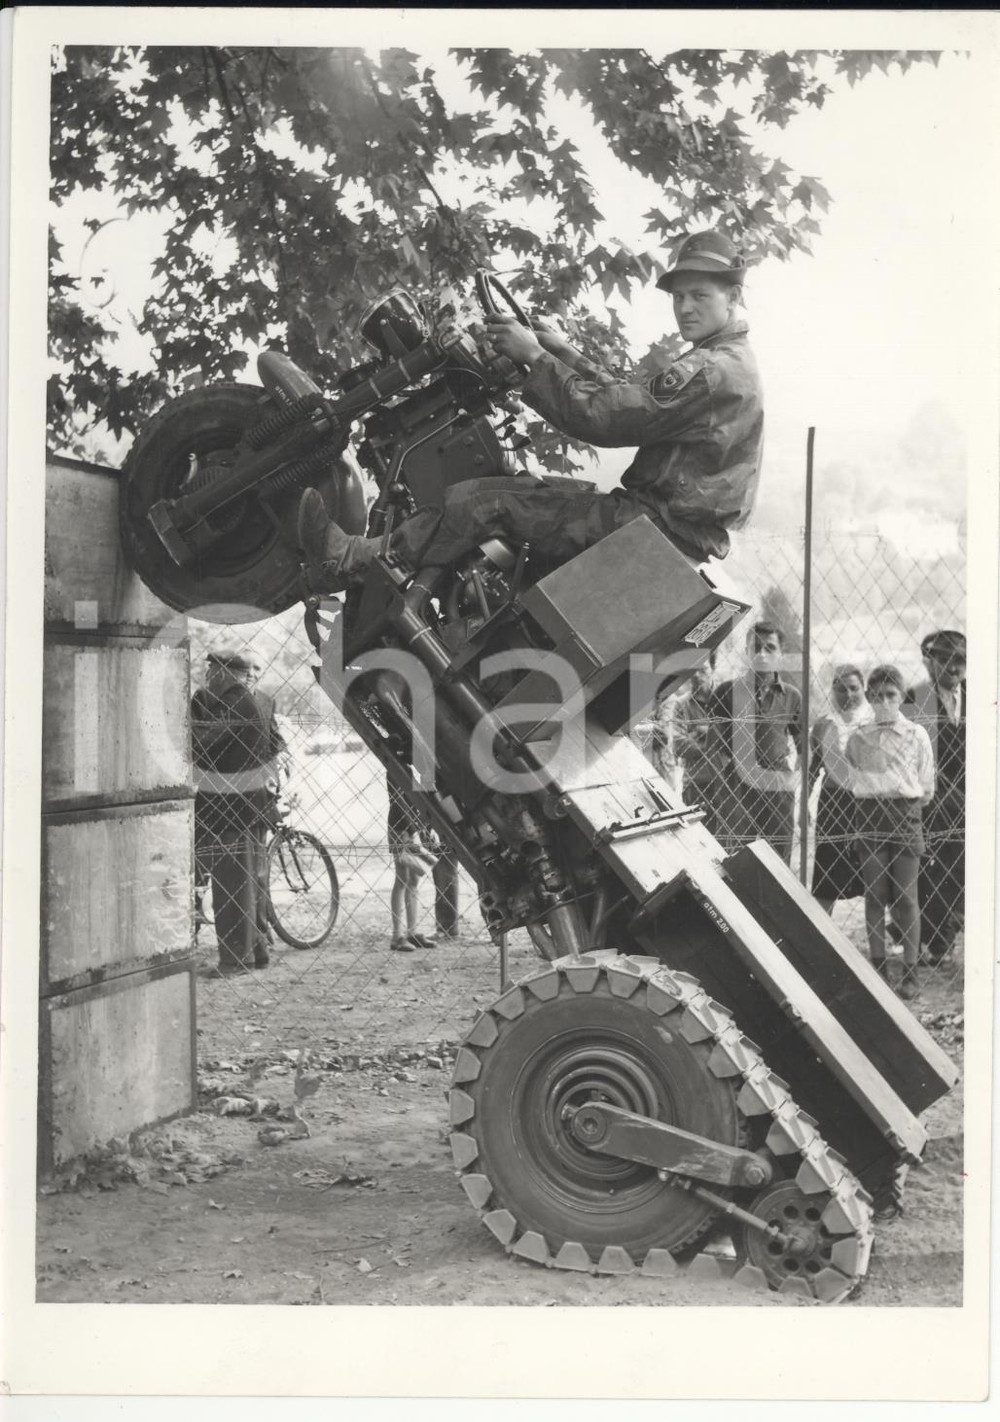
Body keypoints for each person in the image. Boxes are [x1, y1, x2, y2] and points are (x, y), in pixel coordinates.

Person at [297, 229, 764, 587]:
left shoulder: (713, 368)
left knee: (483, 499)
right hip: (662, 526)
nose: (684, 307)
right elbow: (634, 402)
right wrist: (561, 351)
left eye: (700, 295)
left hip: (649, 527)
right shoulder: (724, 362)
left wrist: (535, 358)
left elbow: (608, 418)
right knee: (516, 486)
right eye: (679, 296)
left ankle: (352, 562)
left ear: (734, 297)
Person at [191, 650, 286, 977]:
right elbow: (274, 746)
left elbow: (200, 743)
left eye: (210, 671)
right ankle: (256, 953)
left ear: (223, 672)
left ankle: (235, 960)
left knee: (231, 889)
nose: (206, 677)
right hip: (252, 807)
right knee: (250, 887)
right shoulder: (257, 701)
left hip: (229, 810)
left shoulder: (233, 703)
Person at [845, 665, 935, 1001]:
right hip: (870, 816)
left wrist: (905, 803)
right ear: (869, 696)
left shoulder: (916, 735)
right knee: (875, 896)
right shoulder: (858, 736)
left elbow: (926, 785)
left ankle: (910, 971)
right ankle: (879, 967)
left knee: (907, 897)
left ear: (901, 697)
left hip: (905, 815)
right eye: (877, 695)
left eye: (891, 695)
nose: (884, 701)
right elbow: (854, 773)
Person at [709, 623, 801, 864]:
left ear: (780, 653)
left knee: (779, 862)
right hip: (738, 784)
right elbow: (713, 746)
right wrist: (725, 789)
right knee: (734, 860)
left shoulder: (792, 695)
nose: (762, 654)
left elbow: (804, 748)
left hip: (777, 783)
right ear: (747, 651)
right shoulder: (726, 692)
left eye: (770, 648)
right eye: (756, 647)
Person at [903, 629, 966, 963]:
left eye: (960, 660)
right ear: (931, 661)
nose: (954, 668)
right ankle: (939, 942)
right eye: (945, 659)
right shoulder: (916, 697)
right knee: (933, 870)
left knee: (962, 869)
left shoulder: (979, 695)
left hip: (970, 798)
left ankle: (948, 931)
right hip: (931, 800)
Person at [808, 664, 873, 916]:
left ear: (864, 688)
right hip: (834, 804)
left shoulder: (876, 720)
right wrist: (804, 806)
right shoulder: (824, 725)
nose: (848, 695)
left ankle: (893, 938)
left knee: (875, 874)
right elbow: (813, 769)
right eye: (841, 689)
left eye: (854, 689)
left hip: (869, 803)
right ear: (833, 691)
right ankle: (820, 936)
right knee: (828, 874)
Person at [672, 651, 725, 834]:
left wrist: (701, 732)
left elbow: (737, 740)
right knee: (696, 838)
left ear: (713, 670)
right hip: (695, 784)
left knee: (726, 842)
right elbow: (678, 745)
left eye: (702, 670)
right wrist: (714, 740)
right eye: (692, 670)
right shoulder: (681, 705)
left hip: (727, 783)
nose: (696, 675)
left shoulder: (726, 700)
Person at [387, 780, 439, 953]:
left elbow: (428, 795)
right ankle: (397, 936)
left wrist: (427, 827)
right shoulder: (402, 762)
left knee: (414, 880)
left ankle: (412, 931)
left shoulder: (424, 759)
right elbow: (397, 798)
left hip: (414, 825)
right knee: (402, 878)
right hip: (400, 824)